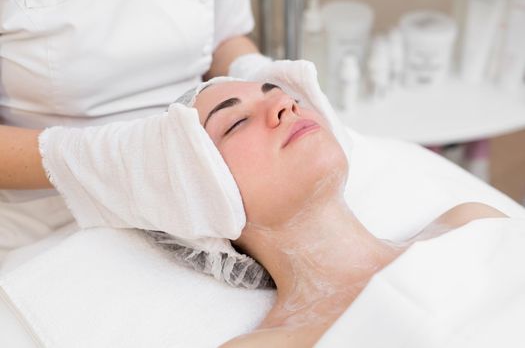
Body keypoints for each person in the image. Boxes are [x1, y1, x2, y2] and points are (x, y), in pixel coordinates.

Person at [189, 80, 509, 347]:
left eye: (286, 95)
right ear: (202, 204)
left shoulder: (473, 223)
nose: (285, 105)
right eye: (236, 123)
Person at [0, 0, 266, 262]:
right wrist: (101, 160)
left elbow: (223, 39)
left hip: (197, 209)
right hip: (50, 231)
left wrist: (258, 72)